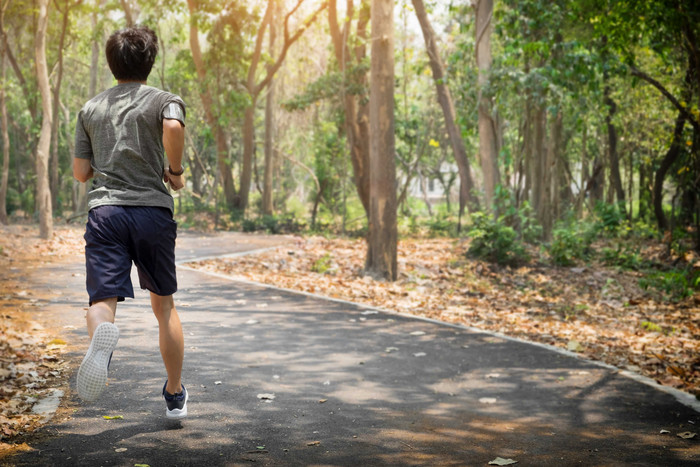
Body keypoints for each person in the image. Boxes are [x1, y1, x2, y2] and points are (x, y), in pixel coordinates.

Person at [73, 25, 188, 419]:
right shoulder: (164, 100)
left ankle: (99, 349)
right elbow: (172, 127)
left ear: (112, 63)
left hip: (105, 212)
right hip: (152, 212)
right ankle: (174, 395)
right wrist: (175, 170)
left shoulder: (90, 108)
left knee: (102, 299)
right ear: (150, 62)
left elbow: (80, 172)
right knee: (165, 307)